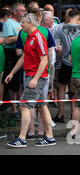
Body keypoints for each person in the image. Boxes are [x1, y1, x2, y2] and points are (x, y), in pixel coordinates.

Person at [5, 13, 56, 148]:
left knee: (24, 105)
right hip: (33, 76)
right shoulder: (28, 37)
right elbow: (24, 57)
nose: (21, 25)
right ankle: (50, 137)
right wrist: (12, 72)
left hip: (36, 77)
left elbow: (44, 59)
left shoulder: (38, 37)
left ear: (30, 23)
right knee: (42, 105)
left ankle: (22, 138)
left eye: (23, 22)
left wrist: (35, 78)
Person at [52, 8, 80, 123]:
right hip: (73, 62)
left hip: (66, 61)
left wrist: (62, 55)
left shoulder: (60, 27)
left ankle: (63, 114)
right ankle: (72, 113)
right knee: (70, 88)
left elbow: (57, 46)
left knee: (64, 87)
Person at [0, 3, 26, 122]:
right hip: (11, 53)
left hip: (22, 53)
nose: (24, 13)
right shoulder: (8, 23)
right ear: (15, 12)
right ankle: (14, 109)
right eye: (21, 11)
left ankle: (21, 107)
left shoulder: (22, 23)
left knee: (21, 82)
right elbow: (7, 40)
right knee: (13, 82)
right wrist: (23, 35)